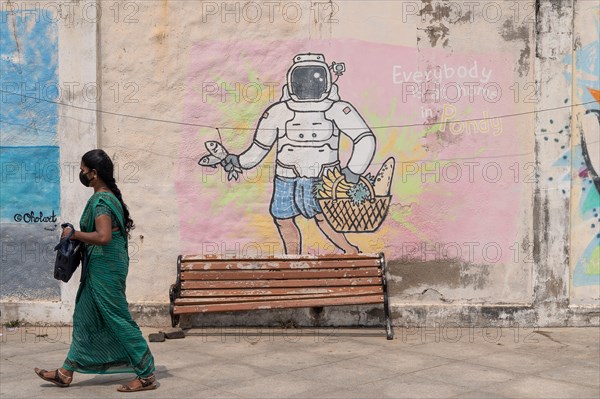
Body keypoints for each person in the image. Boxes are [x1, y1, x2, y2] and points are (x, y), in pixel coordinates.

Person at [220, 53, 376, 254]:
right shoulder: (278, 112)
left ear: (327, 82)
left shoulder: (337, 109)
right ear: (291, 82)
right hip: (286, 178)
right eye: (302, 80)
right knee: (284, 220)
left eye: (315, 80)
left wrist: (354, 170)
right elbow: (260, 147)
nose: (308, 85)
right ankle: (292, 260)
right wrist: (239, 161)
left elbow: (364, 138)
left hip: (324, 178)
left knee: (325, 218)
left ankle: (350, 251)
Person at [34, 149, 157, 392]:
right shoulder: (108, 197)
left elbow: (103, 236)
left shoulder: (101, 200)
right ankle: (65, 372)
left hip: (106, 268)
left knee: (116, 318)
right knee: (85, 318)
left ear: (94, 173)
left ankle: (147, 374)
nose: (81, 173)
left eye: (82, 170)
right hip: (100, 267)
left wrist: (73, 234)